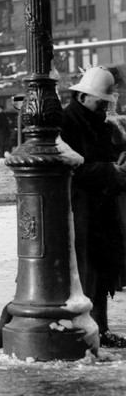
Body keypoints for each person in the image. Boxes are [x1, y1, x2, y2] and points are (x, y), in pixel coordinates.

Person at [60, 67, 126, 348]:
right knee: (85, 270)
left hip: (100, 207)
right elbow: (70, 168)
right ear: (83, 96)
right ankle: (85, 329)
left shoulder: (98, 122)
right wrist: (110, 171)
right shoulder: (66, 122)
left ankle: (100, 327)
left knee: (102, 267)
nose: (104, 107)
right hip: (81, 209)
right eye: (101, 101)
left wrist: (117, 162)